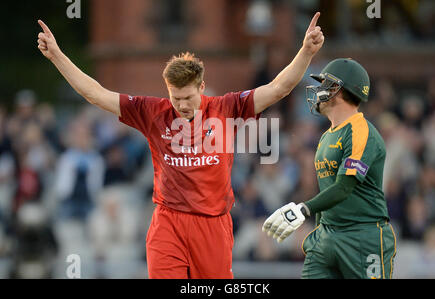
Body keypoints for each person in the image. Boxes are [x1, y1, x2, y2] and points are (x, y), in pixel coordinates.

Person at [37, 12, 324, 278]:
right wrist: (58, 57)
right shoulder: (152, 111)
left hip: (212, 225)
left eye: (188, 97)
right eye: (176, 98)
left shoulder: (227, 107)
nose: (182, 105)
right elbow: (97, 94)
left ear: (201, 87)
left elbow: (278, 88)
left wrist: (306, 51)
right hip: (168, 222)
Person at [263, 58, 397, 279]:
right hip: (327, 235)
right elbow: (327, 191)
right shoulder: (326, 136)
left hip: (362, 236)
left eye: (324, 84)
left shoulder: (361, 131)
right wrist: (318, 228)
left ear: (338, 89)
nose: (318, 90)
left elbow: (344, 188)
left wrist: (303, 209)